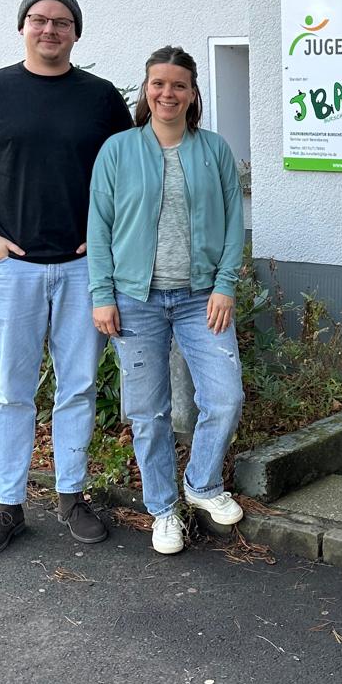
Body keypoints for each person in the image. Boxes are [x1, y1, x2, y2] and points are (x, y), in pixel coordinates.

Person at [0, 0, 132, 560]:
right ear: (22, 26)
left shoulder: (98, 98)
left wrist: (105, 237)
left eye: (63, 22)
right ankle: (8, 505)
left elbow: (125, 172)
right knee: (12, 392)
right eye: (40, 20)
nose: (51, 29)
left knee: (77, 387)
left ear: (77, 32)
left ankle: (72, 496)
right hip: (14, 271)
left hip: (81, 270)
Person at [87, 46, 246, 556]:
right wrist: (102, 294)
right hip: (136, 300)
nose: (167, 93)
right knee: (149, 412)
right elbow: (100, 226)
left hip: (202, 298)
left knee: (225, 397)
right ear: (146, 89)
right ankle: (162, 508)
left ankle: (200, 485)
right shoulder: (118, 150)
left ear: (193, 93)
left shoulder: (215, 150)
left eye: (178, 85)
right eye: (158, 83)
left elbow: (232, 225)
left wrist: (225, 284)